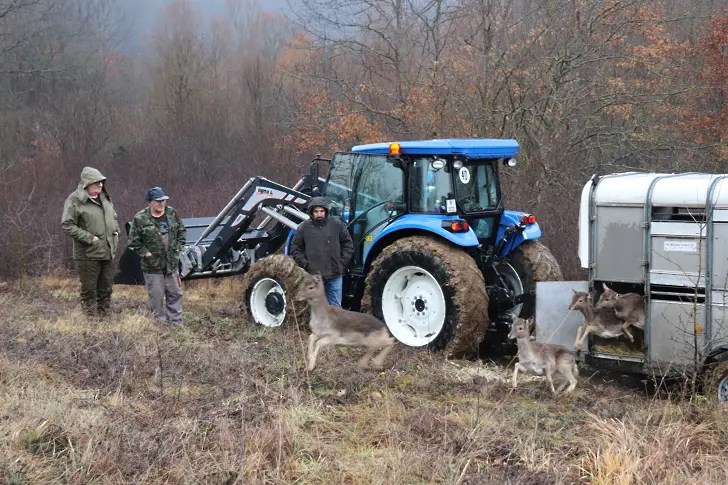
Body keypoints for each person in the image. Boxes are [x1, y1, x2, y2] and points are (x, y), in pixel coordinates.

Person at [61, 166, 120, 317]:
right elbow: (67, 225)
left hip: (107, 251)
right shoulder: (75, 200)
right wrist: (89, 238)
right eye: (96, 182)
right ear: (86, 183)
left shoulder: (105, 198)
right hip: (88, 254)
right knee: (89, 289)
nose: (100, 185)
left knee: (106, 288)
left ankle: (103, 318)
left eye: (101, 182)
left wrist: (116, 231)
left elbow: (113, 217)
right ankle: (90, 321)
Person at [128, 187, 187, 324]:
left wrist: (178, 249)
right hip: (152, 265)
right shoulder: (140, 218)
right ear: (149, 202)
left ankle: (176, 322)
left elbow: (182, 232)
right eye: (158, 201)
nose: (161, 204)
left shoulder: (172, 213)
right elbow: (133, 242)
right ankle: (159, 324)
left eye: (163, 201)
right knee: (156, 296)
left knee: (175, 293)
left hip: (171, 263)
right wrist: (145, 253)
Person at [289, 196, 354, 307]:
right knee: (316, 307)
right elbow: (295, 248)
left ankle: (334, 325)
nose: (319, 214)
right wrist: (306, 264)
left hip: (335, 275)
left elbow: (348, 244)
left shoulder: (336, 224)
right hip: (315, 278)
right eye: (316, 211)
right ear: (311, 212)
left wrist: (341, 263)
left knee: (335, 307)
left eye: (322, 211)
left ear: (326, 211)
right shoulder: (303, 228)